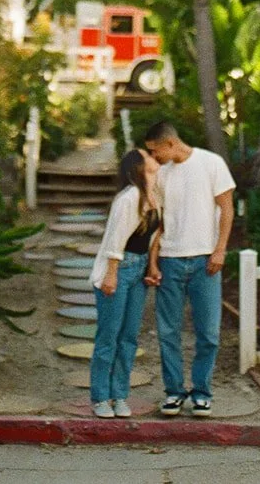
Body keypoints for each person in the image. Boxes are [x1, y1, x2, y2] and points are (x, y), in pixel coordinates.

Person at [144, 120, 235, 416]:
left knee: (208, 332)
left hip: (205, 261)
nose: (154, 158)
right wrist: (153, 261)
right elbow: (157, 223)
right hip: (170, 260)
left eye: (155, 151)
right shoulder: (162, 176)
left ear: (170, 144)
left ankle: (201, 392)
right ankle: (173, 392)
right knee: (168, 331)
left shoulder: (211, 163)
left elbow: (227, 208)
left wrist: (220, 249)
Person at [86, 147, 162, 419]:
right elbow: (116, 240)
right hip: (118, 269)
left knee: (129, 337)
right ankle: (100, 397)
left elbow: (153, 239)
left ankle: (120, 395)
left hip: (139, 270)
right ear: (138, 167)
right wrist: (111, 274)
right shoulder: (128, 198)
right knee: (109, 336)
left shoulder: (156, 196)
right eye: (148, 156)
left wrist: (152, 267)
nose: (155, 158)